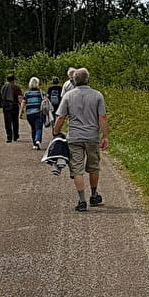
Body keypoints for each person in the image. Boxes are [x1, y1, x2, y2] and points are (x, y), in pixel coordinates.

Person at [53, 67, 108, 212]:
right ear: (88, 79)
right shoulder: (97, 95)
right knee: (93, 167)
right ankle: (94, 196)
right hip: (92, 137)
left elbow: (61, 117)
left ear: (74, 80)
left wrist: (56, 131)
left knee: (77, 169)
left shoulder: (68, 96)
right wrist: (105, 136)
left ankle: (82, 200)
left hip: (75, 137)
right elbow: (102, 117)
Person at [22, 77, 51, 148]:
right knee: (39, 127)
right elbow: (46, 100)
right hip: (39, 112)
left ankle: (34, 144)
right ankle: (38, 140)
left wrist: (21, 112)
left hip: (29, 113)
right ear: (37, 84)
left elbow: (23, 102)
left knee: (33, 128)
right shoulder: (41, 92)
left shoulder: (27, 93)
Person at [0, 73, 22, 144]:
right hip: (15, 106)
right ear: (13, 80)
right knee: (15, 121)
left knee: (7, 122)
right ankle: (15, 135)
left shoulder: (3, 87)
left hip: (6, 106)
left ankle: (9, 137)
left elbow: (0, 95)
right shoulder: (16, 87)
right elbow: (20, 97)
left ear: (7, 79)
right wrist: (21, 106)